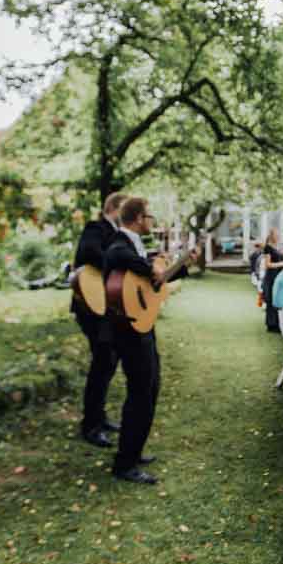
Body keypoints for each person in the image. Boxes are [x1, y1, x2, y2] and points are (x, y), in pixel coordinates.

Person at [102, 196, 166, 485]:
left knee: (150, 388)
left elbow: (151, 282)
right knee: (140, 393)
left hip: (143, 326)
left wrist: (171, 267)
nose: (151, 220)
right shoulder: (120, 243)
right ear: (139, 218)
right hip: (127, 330)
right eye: (149, 215)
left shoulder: (136, 246)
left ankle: (134, 449)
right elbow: (115, 256)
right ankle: (124, 464)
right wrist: (148, 267)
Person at [71, 190, 125, 447]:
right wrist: (115, 261)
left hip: (105, 306)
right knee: (103, 361)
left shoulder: (116, 232)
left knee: (108, 361)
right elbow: (89, 251)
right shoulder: (96, 227)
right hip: (89, 307)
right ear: (115, 207)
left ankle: (99, 417)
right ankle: (90, 426)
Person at [261, 228, 283, 331]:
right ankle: (271, 324)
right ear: (272, 236)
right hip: (271, 275)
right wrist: (282, 264)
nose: (279, 236)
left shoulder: (277, 247)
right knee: (271, 298)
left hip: (278, 274)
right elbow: (268, 264)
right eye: (277, 235)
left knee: (276, 298)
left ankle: (276, 322)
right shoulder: (268, 248)